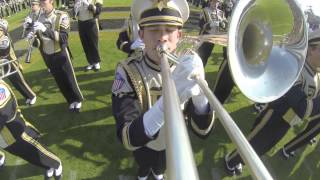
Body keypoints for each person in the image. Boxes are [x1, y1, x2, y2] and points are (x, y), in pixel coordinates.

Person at [112, 0, 215, 179]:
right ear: (141, 35)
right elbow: (127, 136)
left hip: (173, 144)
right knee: (144, 164)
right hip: (145, 145)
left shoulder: (186, 68)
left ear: (180, 35)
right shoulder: (128, 70)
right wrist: (167, 101)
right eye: (153, 30)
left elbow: (203, 130)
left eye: (169, 30)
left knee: (161, 167)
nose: (162, 37)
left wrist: (201, 96)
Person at [224, 29, 320, 175]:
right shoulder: (297, 70)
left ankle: (240, 161)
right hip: (275, 116)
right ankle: (231, 161)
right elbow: (303, 108)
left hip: (288, 121)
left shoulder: (316, 75)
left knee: (265, 146)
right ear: (311, 50)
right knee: (254, 142)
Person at [0, 54, 62, 180]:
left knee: (36, 151)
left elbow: (4, 116)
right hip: (4, 139)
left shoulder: (1, 88)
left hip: (17, 132)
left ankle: (56, 164)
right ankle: (47, 166)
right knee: (27, 156)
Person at [28, 0, 83, 112]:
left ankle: (77, 99)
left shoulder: (61, 15)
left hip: (60, 53)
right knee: (59, 80)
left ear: (51, 1)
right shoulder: (39, 18)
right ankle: (70, 100)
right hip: (48, 55)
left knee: (69, 78)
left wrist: (45, 30)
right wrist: (31, 39)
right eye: (40, 2)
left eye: (44, 2)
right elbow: (39, 42)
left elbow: (64, 38)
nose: (42, 4)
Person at [0, 18, 37, 105]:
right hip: (5, 64)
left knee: (20, 80)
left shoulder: (4, 39)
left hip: (11, 62)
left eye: (0, 29)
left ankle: (32, 95)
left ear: (3, 30)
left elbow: (4, 52)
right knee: (15, 82)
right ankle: (27, 96)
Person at [73, 0, 103, 72]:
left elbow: (98, 11)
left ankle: (96, 62)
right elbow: (75, 13)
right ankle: (91, 62)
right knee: (85, 43)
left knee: (93, 43)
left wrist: (87, 4)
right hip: (81, 23)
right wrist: (76, 7)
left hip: (91, 22)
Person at [197, 0, 227, 66]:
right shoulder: (205, 11)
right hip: (205, 37)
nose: (215, 4)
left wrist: (223, 24)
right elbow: (200, 24)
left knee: (207, 56)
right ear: (210, 2)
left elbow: (225, 24)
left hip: (213, 38)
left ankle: (200, 72)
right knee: (201, 57)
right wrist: (211, 24)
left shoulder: (221, 13)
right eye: (214, 2)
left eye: (217, 2)